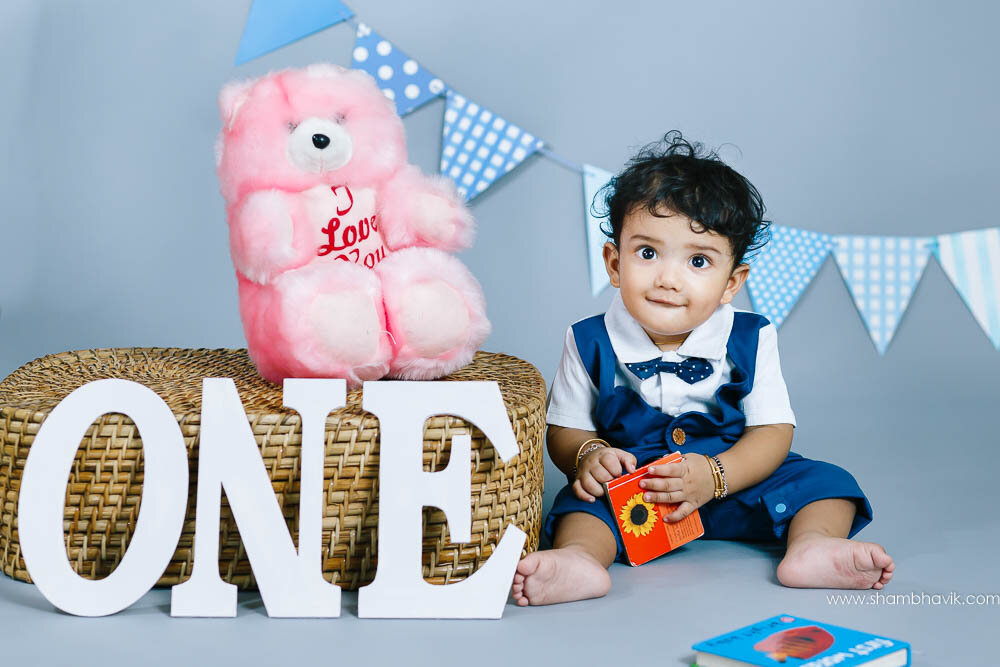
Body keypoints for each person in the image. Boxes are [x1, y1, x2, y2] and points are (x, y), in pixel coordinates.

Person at [511, 132, 895, 606]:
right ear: (614, 262)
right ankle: (580, 561)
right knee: (580, 506)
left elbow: (773, 430)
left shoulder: (751, 337)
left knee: (826, 484)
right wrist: (589, 455)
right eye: (647, 253)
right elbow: (565, 428)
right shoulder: (589, 339)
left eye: (698, 261)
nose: (668, 279)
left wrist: (716, 475)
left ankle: (813, 545)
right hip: (641, 492)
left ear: (731, 282)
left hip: (733, 478)